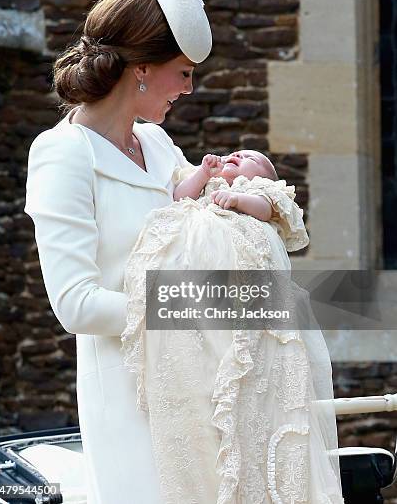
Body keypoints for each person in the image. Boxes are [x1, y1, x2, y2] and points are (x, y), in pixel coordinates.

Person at [24, 0, 213, 504]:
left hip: (199, 384)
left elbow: (208, 225)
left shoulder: (155, 142)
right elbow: (75, 303)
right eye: (181, 73)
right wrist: (191, 308)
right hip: (129, 401)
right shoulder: (61, 155)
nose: (187, 89)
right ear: (140, 70)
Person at [121, 150, 345, 503]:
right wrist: (202, 175)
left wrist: (240, 198)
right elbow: (179, 196)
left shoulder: (262, 192)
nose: (237, 155)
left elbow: (268, 209)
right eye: (234, 154)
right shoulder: (203, 183)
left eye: (251, 157)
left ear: (266, 175)